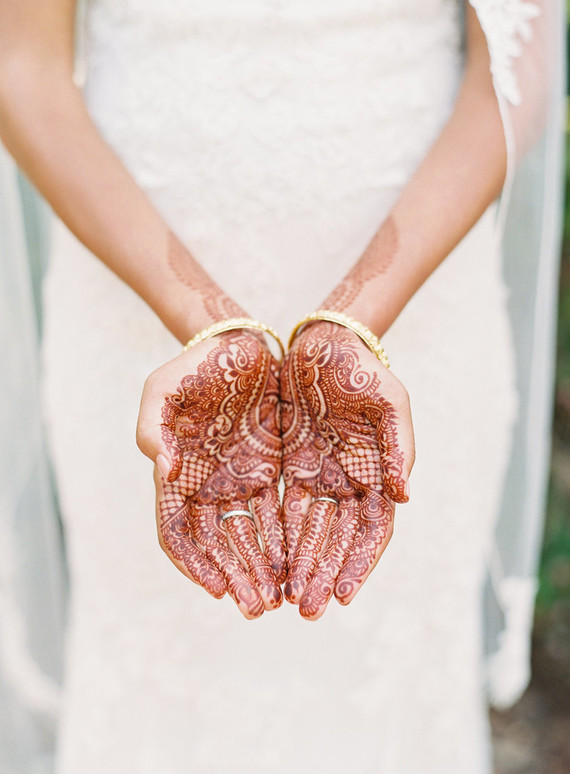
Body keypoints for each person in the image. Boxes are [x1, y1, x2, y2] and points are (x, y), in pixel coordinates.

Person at [0, 1, 562, 772]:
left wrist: (355, 323)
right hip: (129, 307)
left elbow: (516, 54)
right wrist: (203, 319)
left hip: (417, 313)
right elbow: (21, 64)